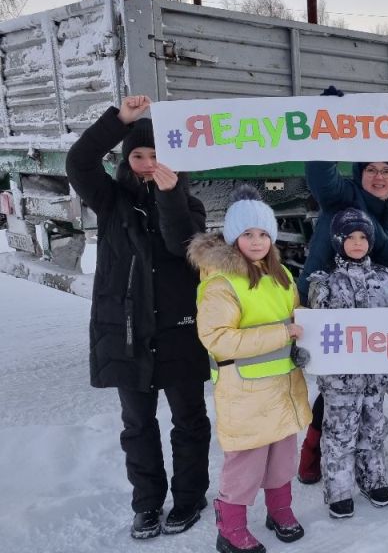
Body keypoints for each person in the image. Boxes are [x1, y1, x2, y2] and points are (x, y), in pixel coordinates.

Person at [66, 95, 211, 540]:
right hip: (126, 333)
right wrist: (119, 119)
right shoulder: (110, 202)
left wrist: (170, 197)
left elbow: (180, 245)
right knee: (137, 423)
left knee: (189, 419)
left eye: (157, 156)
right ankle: (147, 503)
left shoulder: (192, 205)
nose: (148, 163)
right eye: (139, 155)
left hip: (179, 332)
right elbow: (79, 162)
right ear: (127, 160)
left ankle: (189, 498)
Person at [297, 86, 388, 484]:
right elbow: (319, 172)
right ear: (360, 174)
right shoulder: (342, 197)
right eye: (371, 169)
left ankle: (365, 460)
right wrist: (325, 119)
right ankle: (314, 454)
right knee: (335, 389)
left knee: (369, 394)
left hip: (375, 318)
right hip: (332, 309)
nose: (379, 177)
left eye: (387, 170)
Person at [189, 186, 313, 552]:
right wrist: (281, 334)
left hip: (282, 388)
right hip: (244, 392)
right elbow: (218, 339)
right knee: (246, 464)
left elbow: (296, 320)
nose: (257, 241)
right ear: (232, 237)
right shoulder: (220, 284)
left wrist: (303, 345)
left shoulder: (281, 277)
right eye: (247, 234)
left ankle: (280, 510)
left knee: (282, 457)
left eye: (263, 233)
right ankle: (230, 526)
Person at [306, 208, 388, 520]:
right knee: (339, 433)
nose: (356, 242)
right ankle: (339, 490)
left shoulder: (387, 281)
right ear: (338, 241)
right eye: (349, 237)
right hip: (340, 382)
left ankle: (372, 477)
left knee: (373, 428)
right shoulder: (326, 284)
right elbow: (315, 332)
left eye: (362, 237)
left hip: (375, 378)